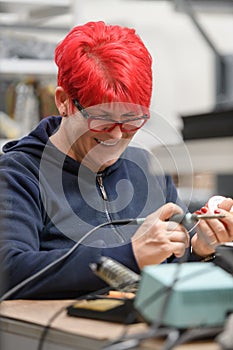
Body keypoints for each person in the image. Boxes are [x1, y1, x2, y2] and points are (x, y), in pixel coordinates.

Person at [0, 21, 232, 300]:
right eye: (102, 119)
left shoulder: (147, 169)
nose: (117, 135)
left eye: (133, 120)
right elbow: (9, 270)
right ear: (64, 102)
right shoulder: (18, 175)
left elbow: (171, 269)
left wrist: (201, 248)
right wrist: (130, 255)